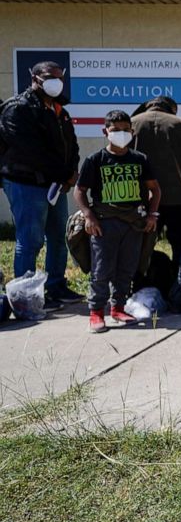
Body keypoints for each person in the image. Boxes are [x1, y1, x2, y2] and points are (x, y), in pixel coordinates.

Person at [0, 60, 81, 312]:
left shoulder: (60, 110)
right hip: (26, 183)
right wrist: (63, 173)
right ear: (35, 78)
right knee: (31, 239)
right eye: (49, 77)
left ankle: (56, 287)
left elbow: (72, 146)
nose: (55, 81)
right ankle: (24, 297)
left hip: (55, 185)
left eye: (59, 76)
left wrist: (72, 172)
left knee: (58, 237)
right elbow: (30, 151)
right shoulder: (18, 108)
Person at [74, 111, 161, 334]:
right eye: (115, 130)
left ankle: (118, 308)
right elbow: (80, 191)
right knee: (102, 269)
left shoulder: (140, 159)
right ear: (106, 132)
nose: (121, 134)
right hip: (104, 223)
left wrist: (152, 215)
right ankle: (96, 313)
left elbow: (155, 190)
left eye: (125, 129)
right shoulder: (95, 160)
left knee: (126, 268)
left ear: (132, 132)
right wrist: (88, 216)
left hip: (133, 223)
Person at [131, 96, 181, 267]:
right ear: (172, 109)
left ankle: (140, 286)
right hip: (179, 197)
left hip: (141, 198)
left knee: (141, 247)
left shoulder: (131, 124)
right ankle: (179, 287)